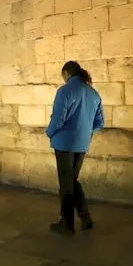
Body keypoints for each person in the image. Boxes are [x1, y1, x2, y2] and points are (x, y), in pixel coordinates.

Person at [46, 60, 104, 235]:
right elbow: (99, 122)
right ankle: (85, 218)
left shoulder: (65, 91)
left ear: (66, 73)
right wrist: (85, 132)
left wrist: (49, 132)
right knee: (71, 180)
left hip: (64, 142)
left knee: (66, 183)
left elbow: (58, 118)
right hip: (82, 144)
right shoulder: (93, 93)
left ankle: (67, 223)